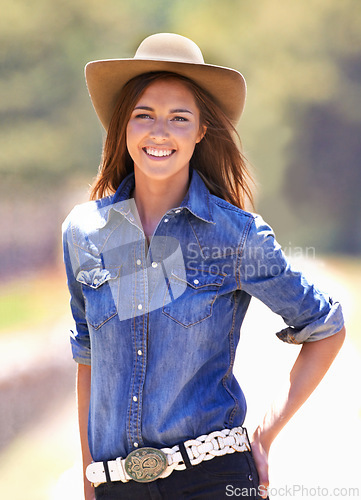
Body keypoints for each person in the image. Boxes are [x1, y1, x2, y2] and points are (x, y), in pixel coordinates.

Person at [62, 33, 345, 500]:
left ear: (200, 131)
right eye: (144, 115)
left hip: (212, 480)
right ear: (123, 127)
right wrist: (90, 480)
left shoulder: (233, 236)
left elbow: (325, 327)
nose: (160, 131)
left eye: (179, 118)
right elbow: (88, 356)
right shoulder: (86, 231)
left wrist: (265, 435)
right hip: (117, 486)